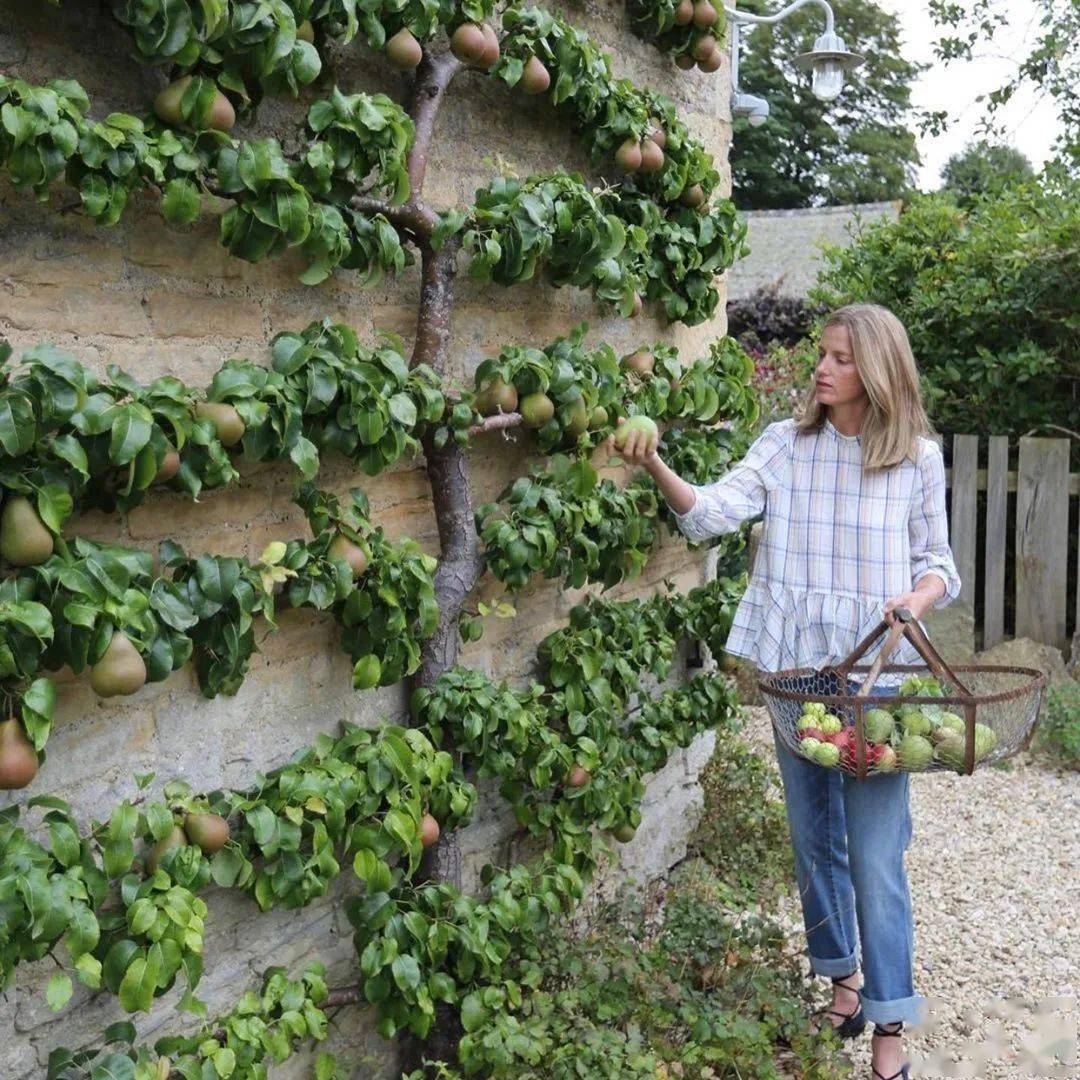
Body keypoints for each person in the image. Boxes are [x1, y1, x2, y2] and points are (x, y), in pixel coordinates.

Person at [608, 303, 961, 1080]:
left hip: (876, 685)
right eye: (823, 356)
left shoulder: (917, 460)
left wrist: (918, 601)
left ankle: (890, 1021)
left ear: (875, 370)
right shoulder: (785, 445)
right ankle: (843, 976)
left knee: (875, 855)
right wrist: (656, 465)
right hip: (796, 675)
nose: (822, 369)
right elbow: (711, 517)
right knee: (814, 842)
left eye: (839, 358)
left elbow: (940, 562)